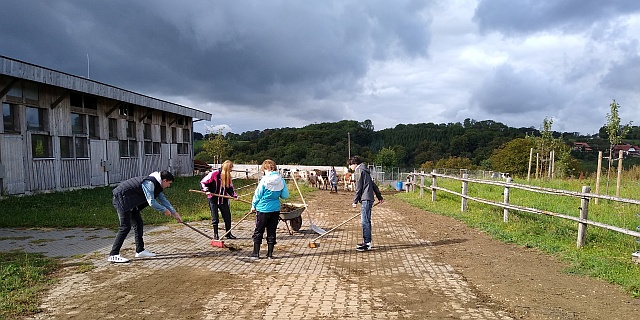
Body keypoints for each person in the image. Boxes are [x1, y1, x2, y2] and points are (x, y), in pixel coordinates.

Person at [108, 170, 182, 263]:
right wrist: (164, 210)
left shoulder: (157, 185)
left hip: (130, 203)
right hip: (121, 200)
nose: (168, 186)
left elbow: (163, 200)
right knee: (125, 227)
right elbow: (151, 202)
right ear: (164, 180)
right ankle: (113, 254)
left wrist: (174, 213)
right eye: (169, 183)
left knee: (138, 224)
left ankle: (140, 251)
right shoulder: (150, 183)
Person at [250, 159, 289, 260]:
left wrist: (253, 205)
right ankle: (270, 254)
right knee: (272, 231)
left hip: (263, 208)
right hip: (275, 209)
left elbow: (258, 195)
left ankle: (256, 254)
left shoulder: (264, 180)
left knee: (259, 230)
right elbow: (285, 195)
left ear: (265, 169)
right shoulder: (281, 180)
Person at [348, 156, 383, 252]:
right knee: (366, 220)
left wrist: (354, 201)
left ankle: (367, 243)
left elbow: (358, 187)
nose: (350, 167)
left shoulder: (359, 171)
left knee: (365, 221)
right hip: (368, 198)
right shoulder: (365, 171)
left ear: (354, 164)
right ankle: (366, 241)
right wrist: (379, 197)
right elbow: (373, 184)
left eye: (350, 165)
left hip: (365, 199)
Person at [200, 160, 238, 240]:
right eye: (230, 168)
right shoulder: (214, 174)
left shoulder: (228, 176)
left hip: (223, 200)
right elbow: (203, 182)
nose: (231, 170)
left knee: (227, 216)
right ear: (227, 168)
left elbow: (229, 188)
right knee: (215, 217)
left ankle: (228, 233)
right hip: (213, 199)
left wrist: (234, 195)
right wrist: (206, 191)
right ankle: (216, 234)